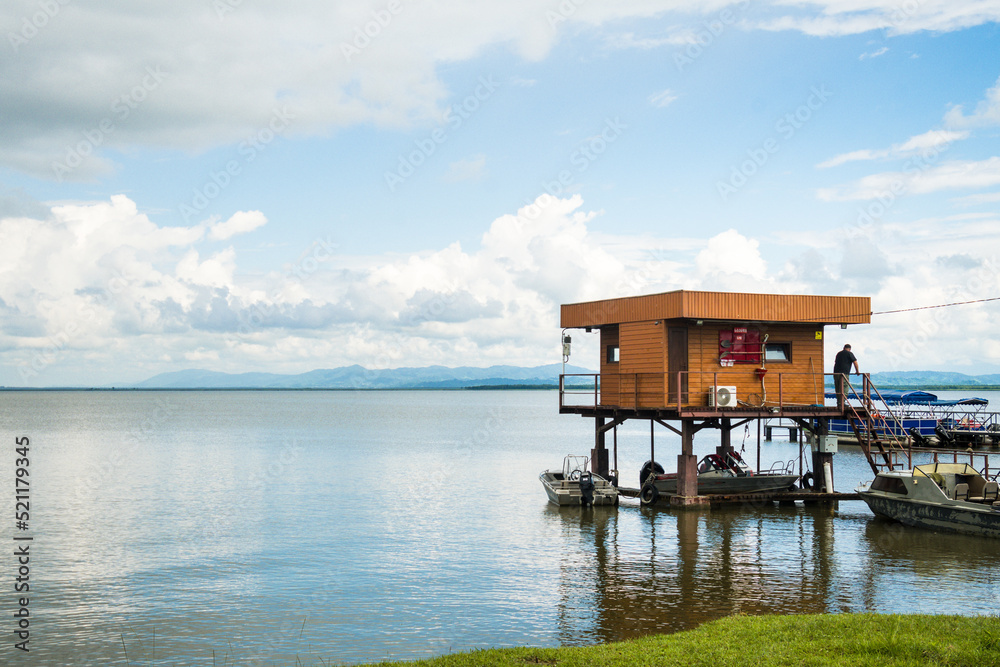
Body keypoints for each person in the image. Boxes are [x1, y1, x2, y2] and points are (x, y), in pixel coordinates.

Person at [833, 344, 859, 411]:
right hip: (844, 373)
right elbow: (855, 362)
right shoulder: (849, 353)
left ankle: (839, 403)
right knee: (844, 387)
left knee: (838, 388)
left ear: (843, 348)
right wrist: (857, 371)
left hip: (836, 373)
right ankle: (842, 402)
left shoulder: (838, 354)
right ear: (850, 349)